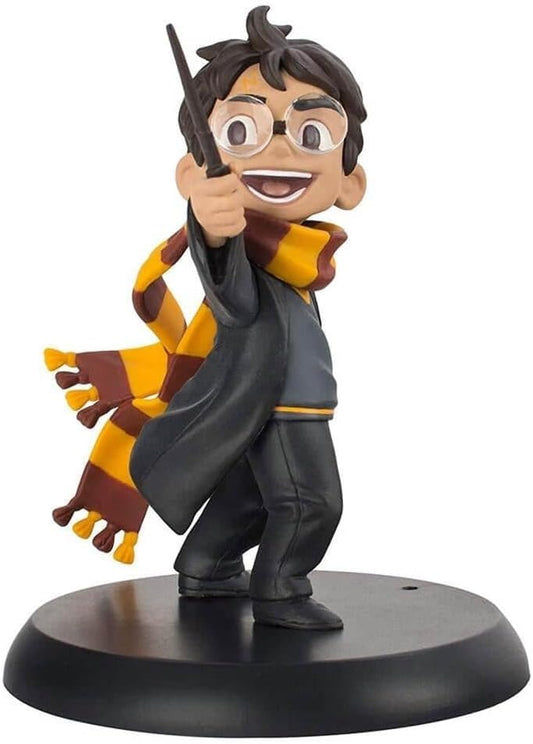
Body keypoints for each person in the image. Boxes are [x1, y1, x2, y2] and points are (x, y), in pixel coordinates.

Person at [130, 5, 367, 630]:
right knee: (312, 502)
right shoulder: (240, 244)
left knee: (253, 496)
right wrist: (211, 229)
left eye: (311, 133)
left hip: (278, 398)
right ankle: (282, 590)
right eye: (242, 130)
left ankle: (207, 566)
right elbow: (229, 292)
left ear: (350, 181)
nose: (281, 148)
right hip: (281, 400)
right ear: (195, 173)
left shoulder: (297, 256)